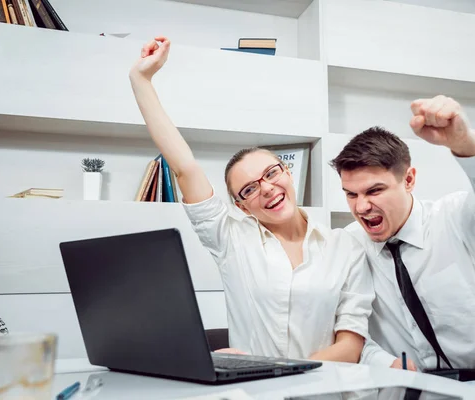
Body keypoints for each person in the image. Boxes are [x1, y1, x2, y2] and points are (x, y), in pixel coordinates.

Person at [128, 36, 374, 363]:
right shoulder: (231, 238)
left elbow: (351, 345)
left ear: (287, 171)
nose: (267, 188)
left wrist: (297, 375)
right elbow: (184, 167)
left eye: (271, 173)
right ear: (241, 206)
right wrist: (140, 79)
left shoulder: (345, 247)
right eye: (249, 189)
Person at [329, 95, 475, 400]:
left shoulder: (458, 219)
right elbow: (351, 329)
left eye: (374, 190)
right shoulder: (350, 242)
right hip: (405, 389)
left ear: (408, 179)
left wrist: (466, 143)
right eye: (350, 194)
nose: (361, 206)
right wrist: (385, 362)